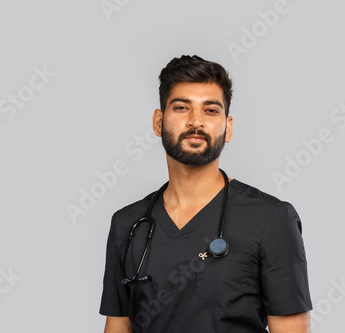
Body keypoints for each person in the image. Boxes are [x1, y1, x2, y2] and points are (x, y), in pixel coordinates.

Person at [99, 55, 312, 332]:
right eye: (181, 108)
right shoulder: (127, 223)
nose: (195, 121)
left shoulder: (271, 220)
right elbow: (118, 327)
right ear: (158, 122)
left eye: (211, 110)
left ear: (228, 127)